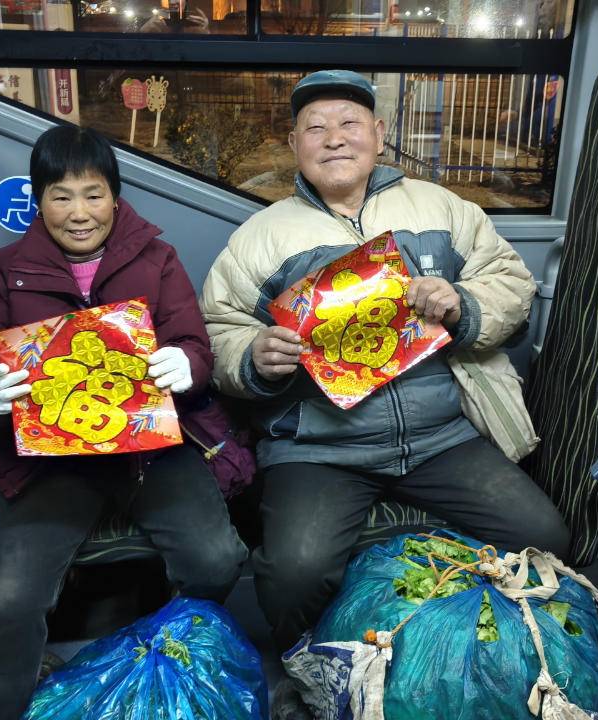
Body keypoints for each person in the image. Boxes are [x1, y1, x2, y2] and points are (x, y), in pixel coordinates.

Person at [200, 70, 569, 652]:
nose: (334, 138)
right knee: (294, 574)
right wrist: (253, 355)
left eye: (349, 123)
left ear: (378, 132)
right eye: (315, 128)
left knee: (543, 535)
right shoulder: (260, 237)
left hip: (441, 434)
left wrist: (462, 303)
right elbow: (218, 329)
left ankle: (486, 649)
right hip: (320, 447)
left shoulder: (440, 208)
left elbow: (511, 282)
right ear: (294, 144)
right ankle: (311, 666)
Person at [0, 125, 247, 720]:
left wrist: (185, 364)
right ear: (39, 201)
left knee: (217, 559)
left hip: (149, 453)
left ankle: (160, 671)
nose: (79, 212)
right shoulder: (4, 271)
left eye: (93, 194)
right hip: (48, 465)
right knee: (8, 600)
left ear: (115, 197)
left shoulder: (157, 259)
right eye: (61, 196)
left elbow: (195, 345)